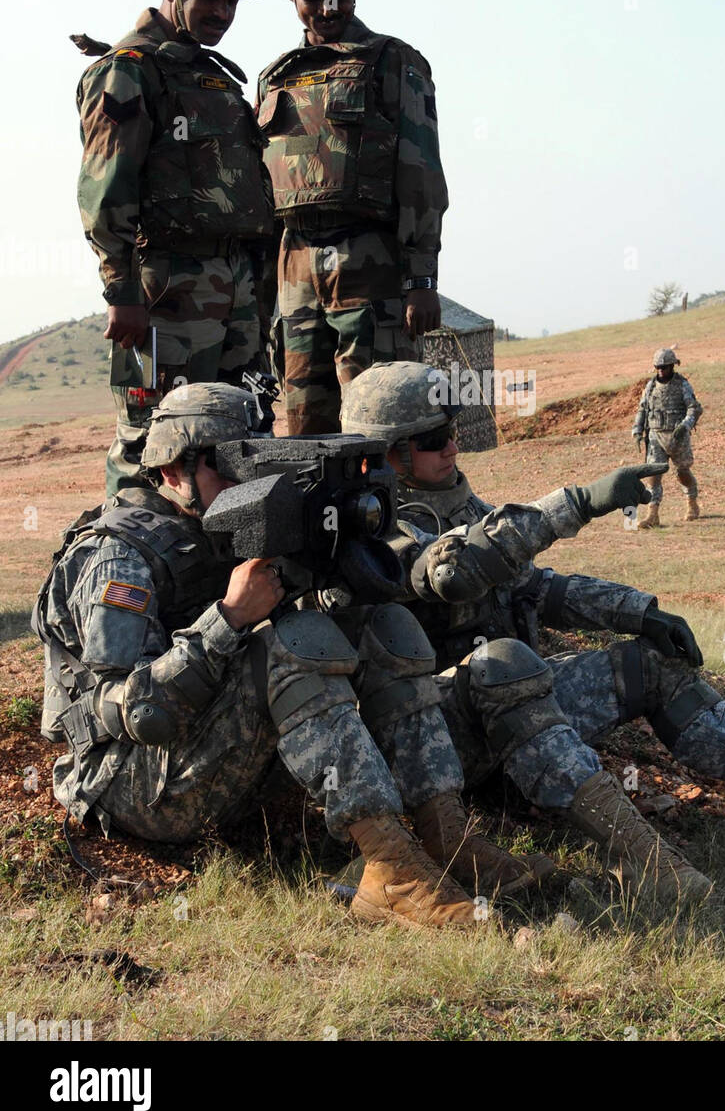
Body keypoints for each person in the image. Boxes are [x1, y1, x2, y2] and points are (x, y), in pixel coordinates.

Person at [340, 363, 725, 903]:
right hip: (429, 751)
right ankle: (644, 860)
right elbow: (456, 575)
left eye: (453, 432)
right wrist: (582, 501)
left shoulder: (456, 505)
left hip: (503, 718)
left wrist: (638, 613)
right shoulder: (371, 533)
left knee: (647, 664)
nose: (453, 447)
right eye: (436, 438)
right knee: (505, 664)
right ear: (390, 454)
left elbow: (536, 589)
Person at [32, 383, 538, 929]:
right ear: (175, 470)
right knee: (290, 646)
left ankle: (446, 836)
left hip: (214, 755)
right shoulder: (119, 558)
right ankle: (392, 870)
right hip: (131, 784)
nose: (251, 488)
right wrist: (227, 619)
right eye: (229, 469)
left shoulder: (227, 524)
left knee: (383, 625)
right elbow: (130, 714)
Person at [74, 0, 280, 495]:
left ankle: (222, 577)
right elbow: (106, 192)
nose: (222, 12)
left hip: (233, 289)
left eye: (232, 1)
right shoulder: (129, 71)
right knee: (153, 439)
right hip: (161, 294)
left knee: (241, 436)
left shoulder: (213, 77)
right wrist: (121, 291)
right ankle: (124, 570)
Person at [256, 0, 447, 434]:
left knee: (380, 419)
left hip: (372, 263)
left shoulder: (393, 61)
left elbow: (421, 173)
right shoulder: (275, 76)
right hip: (293, 268)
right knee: (301, 430)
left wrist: (422, 277)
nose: (328, 7)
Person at [631, 347, 703, 528]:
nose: (662, 371)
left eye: (665, 367)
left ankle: (692, 503)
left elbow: (694, 408)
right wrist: (637, 430)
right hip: (656, 435)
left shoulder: (682, 385)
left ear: (672, 366)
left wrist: (685, 425)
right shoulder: (651, 386)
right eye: (659, 368)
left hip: (678, 437)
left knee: (682, 472)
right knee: (654, 474)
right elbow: (642, 408)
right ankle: (653, 514)